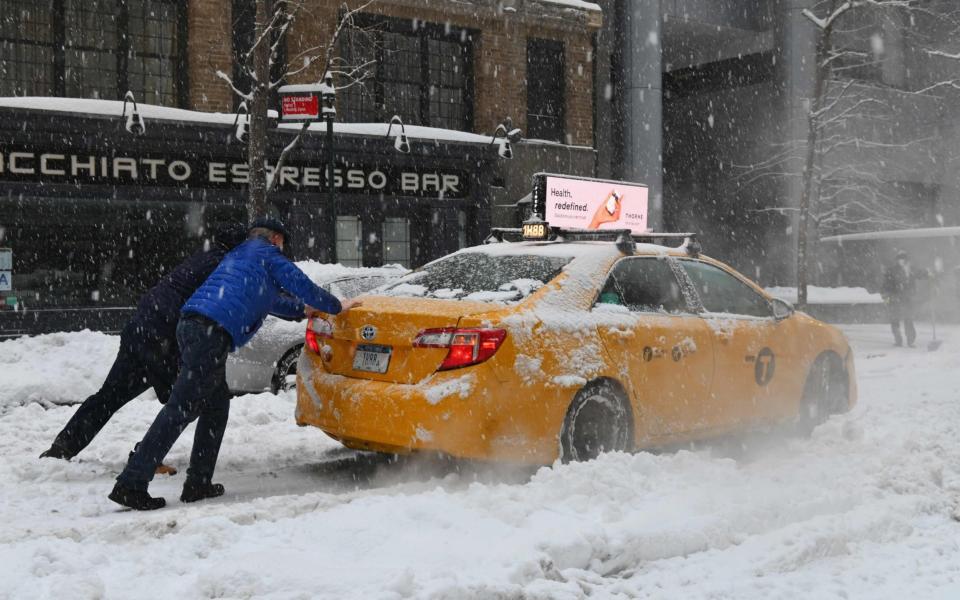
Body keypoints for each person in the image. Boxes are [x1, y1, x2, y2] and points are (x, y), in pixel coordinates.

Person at [109, 218, 361, 510]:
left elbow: (271, 301)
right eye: (283, 243)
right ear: (277, 239)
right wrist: (336, 305)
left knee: (216, 406)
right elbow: (300, 284)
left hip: (193, 325)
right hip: (210, 332)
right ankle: (132, 482)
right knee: (180, 408)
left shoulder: (241, 257)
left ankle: (198, 482)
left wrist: (304, 310)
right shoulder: (267, 254)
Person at [40, 223, 248, 468]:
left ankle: (63, 446)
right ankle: (145, 457)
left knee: (110, 395)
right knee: (186, 401)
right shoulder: (222, 267)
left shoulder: (203, 257)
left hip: (140, 328)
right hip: (163, 337)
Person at [881, 249, 927, 347]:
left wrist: (928, 273)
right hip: (895, 298)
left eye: (904, 258)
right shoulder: (892, 270)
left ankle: (910, 341)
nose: (902, 260)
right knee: (894, 320)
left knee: (908, 319)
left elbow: (921, 274)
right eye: (900, 258)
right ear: (897, 260)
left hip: (907, 298)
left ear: (907, 259)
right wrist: (886, 297)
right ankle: (898, 340)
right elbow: (886, 285)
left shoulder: (910, 269)